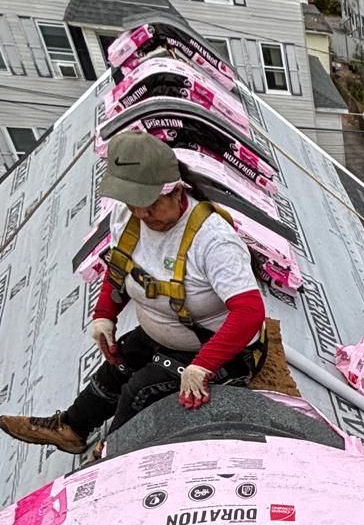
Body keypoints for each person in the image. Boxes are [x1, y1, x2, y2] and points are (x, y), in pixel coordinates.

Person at [0, 131, 267, 454]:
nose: (142, 214)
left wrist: (203, 365)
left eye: (151, 204)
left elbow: (249, 312)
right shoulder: (128, 218)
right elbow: (120, 270)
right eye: (134, 204)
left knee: (139, 389)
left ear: (175, 190)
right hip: (163, 334)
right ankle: (72, 428)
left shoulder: (212, 240)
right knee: (120, 364)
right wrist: (104, 316)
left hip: (217, 350)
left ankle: (114, 454)